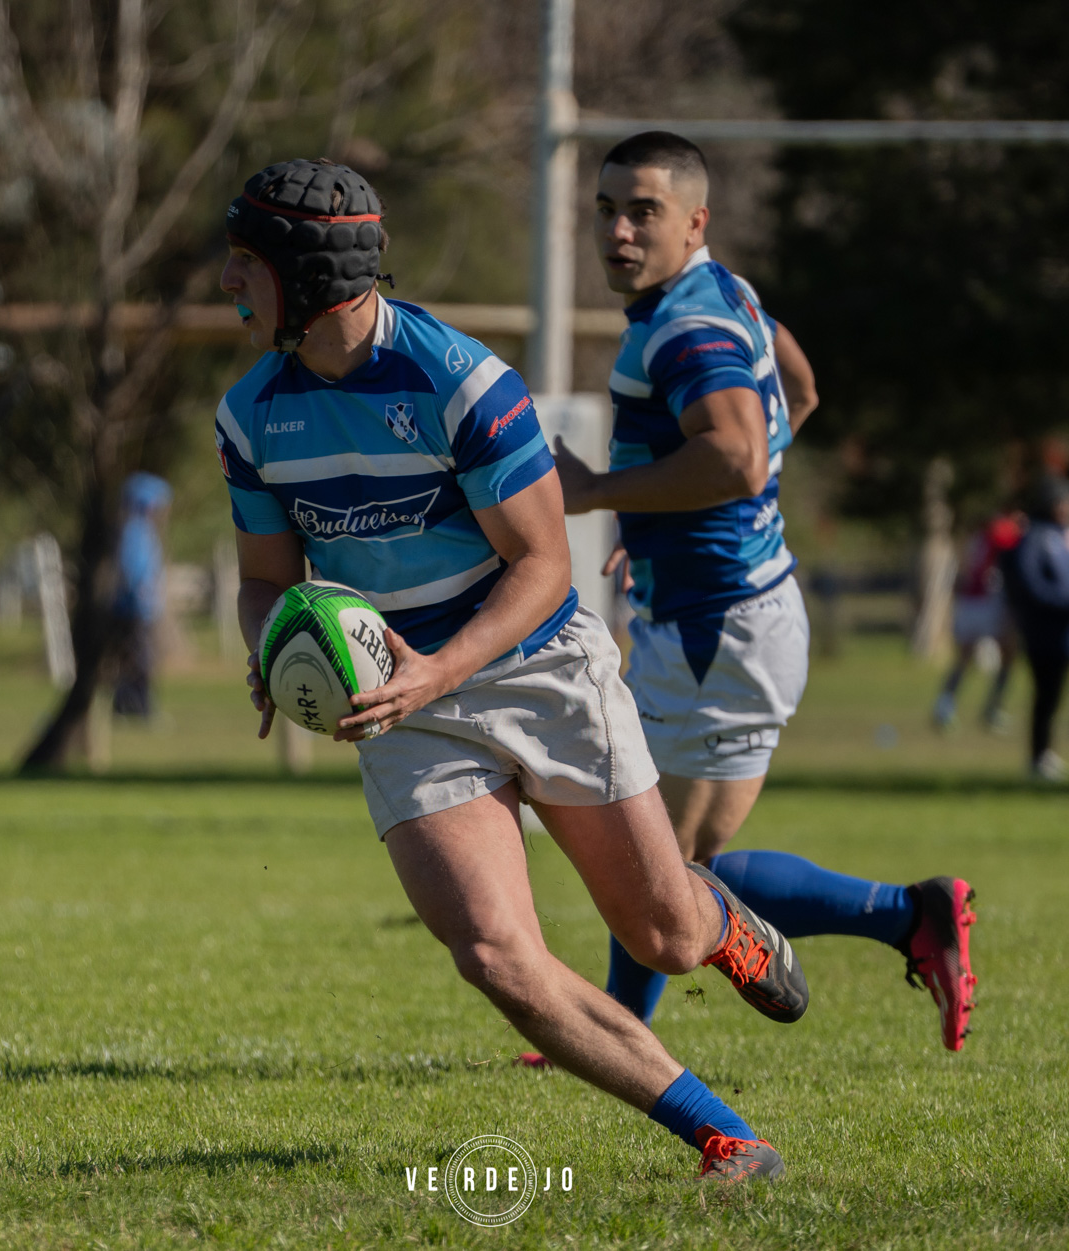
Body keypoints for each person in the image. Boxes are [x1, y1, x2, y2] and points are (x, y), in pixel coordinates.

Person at [217, 158, 806, 1183]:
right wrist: (271, 648)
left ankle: (718, 921)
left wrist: (440, 669)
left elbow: (542, 568)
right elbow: (266, 579)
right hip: (406, 708)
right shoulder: (250, 415)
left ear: (307, 274)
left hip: (536, 667)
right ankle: (729, 1139)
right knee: (494, 956)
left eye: (243, 266)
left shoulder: (462, 382)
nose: (228, 286)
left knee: (664, 937)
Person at [552, 132, 977, 1053]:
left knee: (660, 872)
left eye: (644, 212)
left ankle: (910, 913)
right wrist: (667, 521)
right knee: (664, 862)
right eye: (607, 208)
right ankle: (627, 1030)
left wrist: (598, 494)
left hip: (719, 629)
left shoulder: (687, 324)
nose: (619, 230)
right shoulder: (723, 290)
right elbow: (801, 389)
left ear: (694, 220)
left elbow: (739, 458)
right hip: (727, 609)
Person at [1003, 476, 1069, 781]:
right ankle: (1038, 755)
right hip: (1042, 630)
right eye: (1064, 502)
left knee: (1058, 694)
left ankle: (1047, 753)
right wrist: (1065, 601)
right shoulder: (1034, 538)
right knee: (1045, 693)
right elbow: (1031, 584)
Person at [934, 510, 1025, 735]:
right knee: (1008, 654)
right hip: (987, 603)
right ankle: (991, 708)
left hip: (969, 603)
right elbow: (1014, 540)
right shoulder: (999, 531)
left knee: (964, 659)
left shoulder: (976, 538)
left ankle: (945, 705)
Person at [111, 472, 172, 718]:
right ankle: (138, 709)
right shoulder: (135, 531)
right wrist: (142, 597)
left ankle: (128, 708)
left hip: (141, 609)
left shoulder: (141, 529)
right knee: (140, 661)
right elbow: (132, 570)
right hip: (135, 610)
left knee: (137, 660)